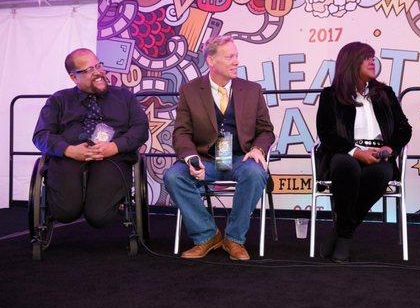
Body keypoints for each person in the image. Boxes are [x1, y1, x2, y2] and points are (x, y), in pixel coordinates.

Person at [163, 35, 275, 261]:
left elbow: (266, 130)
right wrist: (191, 159)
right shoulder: (190, 91)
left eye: (236, 56)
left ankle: (234, 239)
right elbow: (182, 132)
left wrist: (258, 149)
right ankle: (207, 235)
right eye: (229, 57)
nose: (236, 61)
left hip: (240, 159)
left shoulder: (252, 90)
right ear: (211, 61)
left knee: (255, 173)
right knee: (173, 176)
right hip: (205, 159)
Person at [315, 41, 412, 263]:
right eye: (366, 57)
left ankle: (341, 232)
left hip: (379, 154)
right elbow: (326, 133)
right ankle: (345, 236)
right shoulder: (331, 95)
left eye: (373, 57)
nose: (372, 61)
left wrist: (391, 148)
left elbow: (404, 128)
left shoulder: (384, 93)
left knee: (380, 174)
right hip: (345, 152)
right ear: (350, 62)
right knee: (345, 166)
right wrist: (355, 151)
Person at [32, 48, 149, 228]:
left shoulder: (124, 97)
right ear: (73, 77)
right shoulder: (59, 100)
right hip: (69, 158)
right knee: (65, 212)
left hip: (112, 158)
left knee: (99, 217)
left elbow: (141, 129)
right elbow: (40, 135)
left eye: (98, 66)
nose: (98, 73)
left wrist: (115, 147)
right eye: (88, 70)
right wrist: (68, 150)